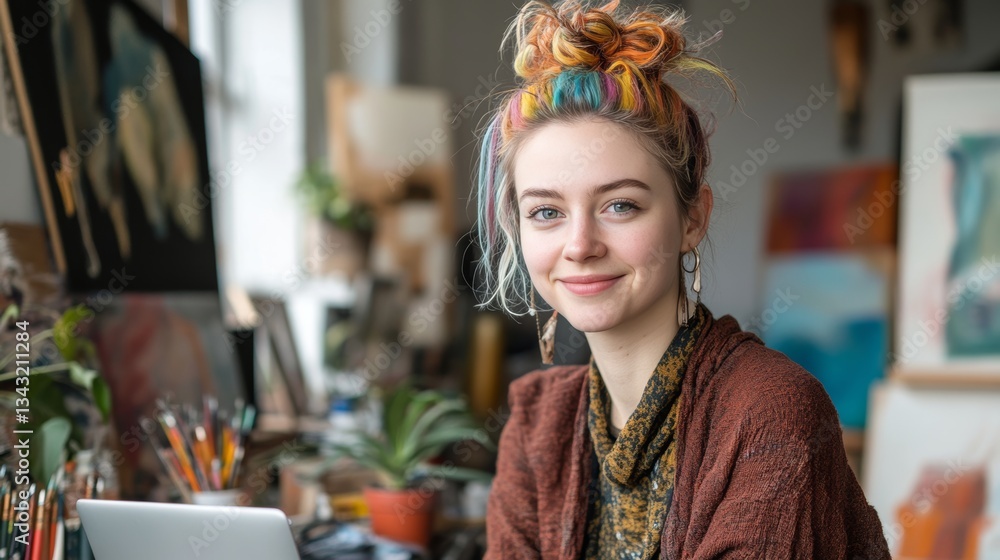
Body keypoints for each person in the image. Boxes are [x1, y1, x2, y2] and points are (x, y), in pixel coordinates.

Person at [474, 1, 892, 558]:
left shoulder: (769, 415)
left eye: (620, 205)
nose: (579, 245)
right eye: (546, 212)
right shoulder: (536, 425)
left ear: (692, 218)